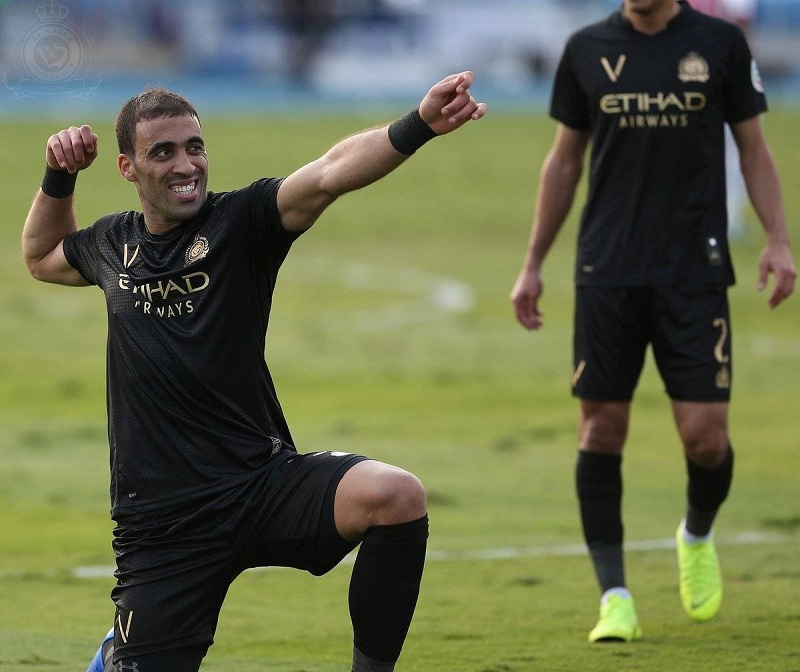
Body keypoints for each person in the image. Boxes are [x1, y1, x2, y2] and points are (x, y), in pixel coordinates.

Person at [22, 72, 486, 672]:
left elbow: (330, 173)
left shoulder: (242, 221)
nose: (185, 165)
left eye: (194, 147)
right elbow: (41, 255)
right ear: (127, 169)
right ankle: (119, 651)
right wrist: (59, 176)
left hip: (261, 483)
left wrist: (418, 125)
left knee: (396, 496)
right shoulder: (113, 244)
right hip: (164, 522)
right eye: (162, 152)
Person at [510, 0, 794, 644]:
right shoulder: (586, 49)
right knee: (601, 428)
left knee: (707, 439)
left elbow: (753, 150)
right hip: (607, 272)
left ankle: (696, 534)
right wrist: (532, 263)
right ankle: (614, 598)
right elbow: (564, 162)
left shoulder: (720, 44)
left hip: (694, 272)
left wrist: (777, 239)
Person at [689, 0, 759, 238]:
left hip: (689, 73)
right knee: (736, 152)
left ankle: (724, 216)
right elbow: (743, 27)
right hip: (720, 72)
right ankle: (729, 217)